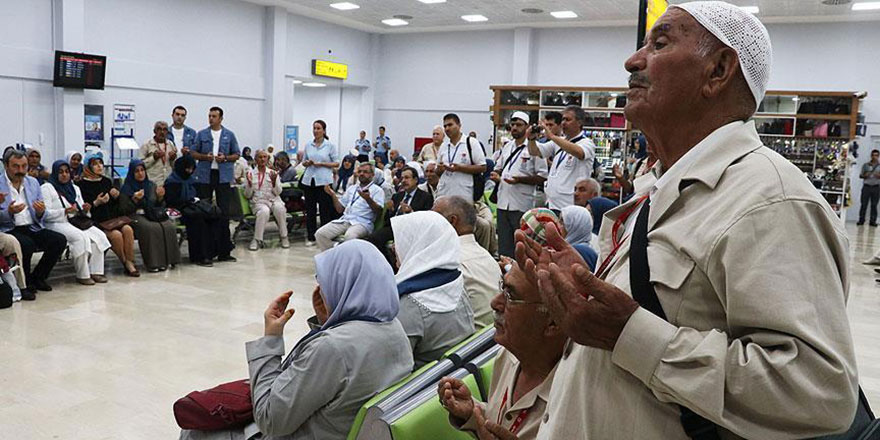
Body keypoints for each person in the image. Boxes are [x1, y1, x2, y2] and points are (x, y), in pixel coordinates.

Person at [523, 3, 859, 438]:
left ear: (718, 71)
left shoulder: (769, 200)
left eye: (659, 44)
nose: (632, 61)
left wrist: (630, 335)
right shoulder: (665, 185)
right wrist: (588, 284)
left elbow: (817, 392)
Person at [179, 240, 414, 440]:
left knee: (194, 431)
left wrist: (271, 339)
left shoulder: (333, 348)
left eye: (325, 280)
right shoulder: (394, 329)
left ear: (345, 285)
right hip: (340, 429)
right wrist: (328, 321)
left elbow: (270, 419)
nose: (321, 287)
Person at [438, 261, 564, 440]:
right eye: (502, 288)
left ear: (552, 322)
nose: (495, 302)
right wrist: (473, 412)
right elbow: (503, 423)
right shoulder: (508, 355)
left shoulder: (573, 399)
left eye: (511, 295)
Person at [392, 210, 475, 369]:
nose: (395, 247)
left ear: (419, 244)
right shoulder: (454, 280)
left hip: (428, 381)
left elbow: (394, 369)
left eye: (401, 240)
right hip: (454, 372)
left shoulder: (407, 305)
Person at [0, 149, 67, 297]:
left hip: (32, 226)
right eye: (15, 166)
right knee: (27, 244)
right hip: (9, 228)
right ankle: (24, 283)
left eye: (24, 166)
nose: (20, 170)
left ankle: (38, 277)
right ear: (6, 166)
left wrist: (40, 211)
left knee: (59, 240)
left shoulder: (33, 182)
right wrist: (9, 212)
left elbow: (41, 213)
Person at [433, 196, 501, 328]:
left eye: (434, 217)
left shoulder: (449, 261)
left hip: (472, 337)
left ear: (452, 221)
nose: (429, 223)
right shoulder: (484, 255)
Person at [41, 160, 111, 285]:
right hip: (56, 223)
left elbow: (81, 210)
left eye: (67, 172)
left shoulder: (74, 188)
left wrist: (85, 209)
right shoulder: (47, 188)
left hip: (76, 221)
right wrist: (64, 211)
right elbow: (45, 214)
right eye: (60, 172)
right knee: (81, 238)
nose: (64, 175)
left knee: (99, 236)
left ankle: (96, 271)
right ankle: (83, 274)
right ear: (55, 173)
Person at [436, 113, 497, 256]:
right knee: (446, 232)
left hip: (464, 195)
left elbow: (482, 167)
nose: (447, 128)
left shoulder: (471, 143)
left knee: (463, 232)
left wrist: (459, 168)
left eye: (450, 125)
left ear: (459, 125)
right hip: (445, 193)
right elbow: (438, 171)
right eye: (445, 126)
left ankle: (468, 258)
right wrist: (440, 169)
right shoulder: (444, 146)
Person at [492, 112, 548, 258]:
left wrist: (520, 180)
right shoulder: (507, 147)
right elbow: (498, 167)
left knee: (521, 244)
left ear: (527, 127)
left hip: (522, 203)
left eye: (519, 125)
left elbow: (542, 176)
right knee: (504, 245)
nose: (515, 128)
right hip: (503, 202)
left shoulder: (535, 148)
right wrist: (496, 175)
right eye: (513, 124)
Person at [78, 152, 141, 277]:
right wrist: (96, 203)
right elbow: (83, 208)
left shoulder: (106, 181)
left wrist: (116, 196)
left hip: (112, 219)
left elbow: (115, 205)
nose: (99, 166)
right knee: (116, 235)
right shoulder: (81, 185)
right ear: (88, 167)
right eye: (95, 164)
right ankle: (126, 263)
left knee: (128, 229)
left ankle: (130, 261)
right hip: (96, 221)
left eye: (100, 163)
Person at [165, 155, 234, 267]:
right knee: (199, 221)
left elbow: (200, 196)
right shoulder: (171, 182)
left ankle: (223, 252)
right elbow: (171, 201)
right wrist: (188, 202)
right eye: (187, 169)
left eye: (192, 169)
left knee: (219, 217)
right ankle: (201, 256)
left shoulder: (193, 180)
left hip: (195, 207)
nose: (190, 171)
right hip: (181, 211)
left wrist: (196, 201)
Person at [191, 106, 239, 262]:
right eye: (209, 116)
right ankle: (206, 251)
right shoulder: (201, 134)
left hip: (223, 176)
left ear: (221, 118)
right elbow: (193, 152)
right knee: (204, 210)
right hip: (205, 175)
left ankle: (224, 250)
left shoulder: (229, 135)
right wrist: (205, 157)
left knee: (224, 213)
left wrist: (225, 158)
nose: (211, 118)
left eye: (214, 116)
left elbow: (236, 154)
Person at [527, 107, 596, 212]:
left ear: (579, 122)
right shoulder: (559, 141)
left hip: (570, 204)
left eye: (568, 120)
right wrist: (531, 139)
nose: (563, 123)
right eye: (563, 119)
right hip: (552, 202)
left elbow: (579, 152)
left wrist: (552, 136)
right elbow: (535, 152)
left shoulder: (587, 143)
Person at [121, 160, 181, 272]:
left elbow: (159, 206)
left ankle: (171, 260)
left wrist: (160, 198)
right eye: (137, 171)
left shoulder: (151, 185)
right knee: (150, 228)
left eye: (142, 170)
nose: (140, 173)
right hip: (135, 215)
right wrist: (134, 200)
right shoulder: (127, 188)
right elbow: (123, 209)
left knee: (168, 226)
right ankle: (154, 263)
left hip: (152, 213)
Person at [367, 166, 433, 266]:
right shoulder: (397, 196)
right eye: (402, 178)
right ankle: (387, 265)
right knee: (373, 239)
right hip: (394, 226)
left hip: (412, 229)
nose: (403, 181)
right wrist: (389, 211)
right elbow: (387, 220)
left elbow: (425, 219)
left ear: (415, 180)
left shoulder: (425, 197)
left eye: (407, 178)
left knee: (400, 245)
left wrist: (411, 212)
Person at [315, 163, 384, 251]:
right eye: (360, 171)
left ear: (372, 175)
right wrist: (333, 195)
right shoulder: (352, 188)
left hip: (362, 223)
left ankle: (343, 254)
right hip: (346, 220)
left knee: (349, 237)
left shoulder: (377, 190)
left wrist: (368, 199)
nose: (362, 174)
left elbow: (379, 211)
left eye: (365, 172)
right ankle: (337, 252)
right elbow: (339, 209)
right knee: (320, 234)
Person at [301, 120, 340, 247]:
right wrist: (307, 163)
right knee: (310, 210)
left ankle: (324, 237)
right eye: (314, 128)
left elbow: (336, 163)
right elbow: (303, 161)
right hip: (309, 180)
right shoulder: (308, 145)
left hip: (324, 181)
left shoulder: (330, 145)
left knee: (325, 210)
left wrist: (322, 164)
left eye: (318, 128)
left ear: (324, 130)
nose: (316, 131)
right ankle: (311, 236)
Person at [245, 150, 289, 251]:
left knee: (280, 209)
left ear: (268, 159)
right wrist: (250, 185)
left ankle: (284, 236)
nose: (262, 159)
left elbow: (278, 192)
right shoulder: (250, 174)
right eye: (260, 157)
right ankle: (257, 239)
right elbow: (247, 195)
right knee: (264, 211)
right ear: (255, 160)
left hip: (274, 200)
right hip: (259, 202)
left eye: (265, 157)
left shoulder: (273, 173)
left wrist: (274, 183)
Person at [558, 205, 598, 271]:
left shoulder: (579, 252)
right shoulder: (587, 249)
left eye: (562, 222)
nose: (558, 225)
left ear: (575, 226)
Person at [858, 149, 880, 226]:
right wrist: (865, 175)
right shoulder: (866, 165)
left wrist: (878, 176)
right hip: (866, 187)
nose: (874, 157)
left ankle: (872, 221)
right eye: (873, 155)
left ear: (878, 156)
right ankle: (861, 220)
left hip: (876, 187)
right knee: (864, 204)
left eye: (876, 155)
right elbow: (860, 175)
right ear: (871, 156)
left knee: (874, 205)